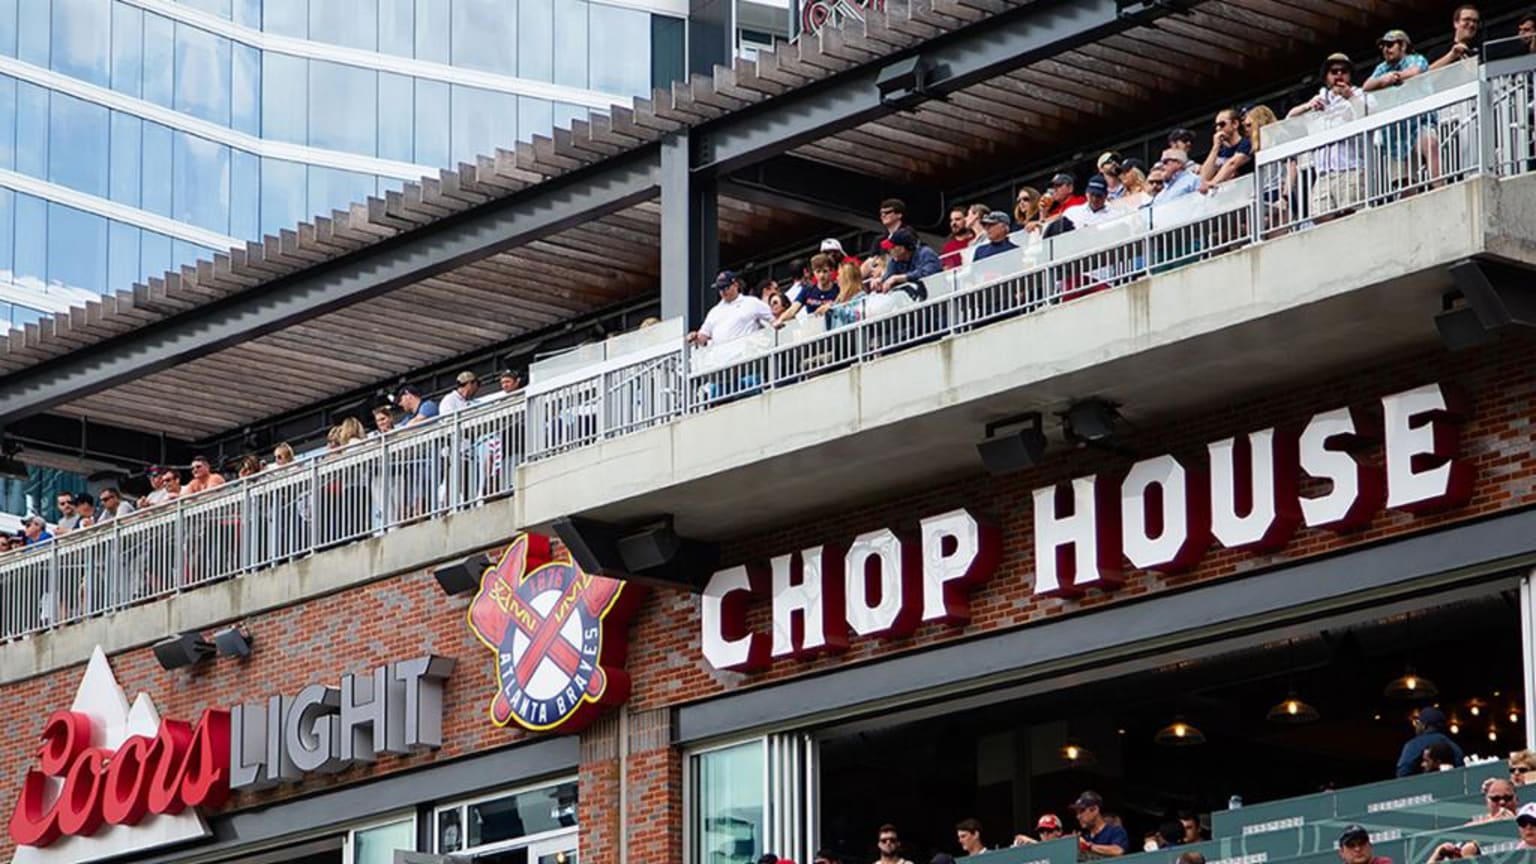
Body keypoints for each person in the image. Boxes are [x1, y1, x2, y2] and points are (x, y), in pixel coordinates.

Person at [1288, 53, 1367, 223]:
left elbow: (1369, 115)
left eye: (1343, 71)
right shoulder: (1318, 100)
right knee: (1321, 218)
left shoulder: (1359, 94)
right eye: (1334, 71)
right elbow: (1289, 121)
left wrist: (1350, 98)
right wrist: (1308, 107)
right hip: (1323, 173)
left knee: (1351, 216)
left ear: (1350, 75)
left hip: (1350, 168)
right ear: (1326, 76)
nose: (1339, 75)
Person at [1365, 30, 1436, 194]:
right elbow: (1366, 86)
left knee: (1430, 145)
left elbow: (1416, 71)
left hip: (1419, 121)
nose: (1385, 49)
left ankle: (1439, 187)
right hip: (1394, 133)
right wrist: (1384, 80)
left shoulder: (1415, 59)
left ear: (1403, 45)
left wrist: (1397, 76)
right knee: (1404, 179)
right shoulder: (1382, 68)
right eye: (1383, 46)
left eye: (1390, 45)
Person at [689, 270, 774, 346]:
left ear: (735, 285)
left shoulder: (751, 302)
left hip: (746, 356)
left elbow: (773, 317)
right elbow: (703, 336)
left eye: (726, 288)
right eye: (720, 289)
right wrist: (695, 336)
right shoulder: (714, 312)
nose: (723, 292)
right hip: (722, 359)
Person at [1395, 706, 1464, 776]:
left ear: (1424, 725)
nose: (1416, 726)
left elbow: (1403, 772)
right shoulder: (1456, 747)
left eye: (1418, 722)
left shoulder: (1415, 744)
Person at [775, 254, 841, 325]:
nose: (821, 275)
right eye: (818, 271)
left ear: (831, 271)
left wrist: (831, 306)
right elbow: (793, 309)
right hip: (814, 329)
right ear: (813, 272)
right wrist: (780, 319)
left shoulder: (838, 289)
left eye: (825, 271)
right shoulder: (808, 290)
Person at [1199, 108, 1253, 193]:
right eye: (1216, 126)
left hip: (1247, 191)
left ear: (1235, 124)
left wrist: (1212, 183)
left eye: (1222, 124)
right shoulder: (1220, 151)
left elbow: (1232, 164)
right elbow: (1203, 177)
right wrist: (1215, 147)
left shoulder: (1246, 143)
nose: (1218, 128)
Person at [879, 228, 941, 300]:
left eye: (892, 247)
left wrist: (900, 278)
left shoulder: (925, 253)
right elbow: (889, 277)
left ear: (902, 249)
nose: (889, 250)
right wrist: (880, 281)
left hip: (936, 299)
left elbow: (928, 273)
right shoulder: (895, 260)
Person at [1072, 791, 1129, 858]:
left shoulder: (1115, 831)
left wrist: (1088, 846)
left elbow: (1118, 851)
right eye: (1077, 813)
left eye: (1082, 811)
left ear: (1095, 809)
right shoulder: (1085, 838)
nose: (1078, 816)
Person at [1430, 5, 1482, 70]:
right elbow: (1423, 77)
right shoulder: (1438, 51)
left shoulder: (1483, 50)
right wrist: (1451, 56)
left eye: (1475, 21)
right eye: (1466, 20)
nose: (1471, 24)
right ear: (1455, 23)